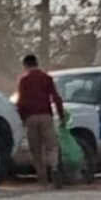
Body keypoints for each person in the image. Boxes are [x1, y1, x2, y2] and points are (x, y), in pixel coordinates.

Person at [16, 54, 66, 187]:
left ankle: (42, 178)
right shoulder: (46, 78)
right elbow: (56, 97)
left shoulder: (24, 80)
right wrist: (61, 115)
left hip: (31, 118)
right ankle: (54, 167)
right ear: (37, 63)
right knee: (51, 145)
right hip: (46, 116)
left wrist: (21, 118)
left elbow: (21, 101)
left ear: (25, 65)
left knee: (36, 149)